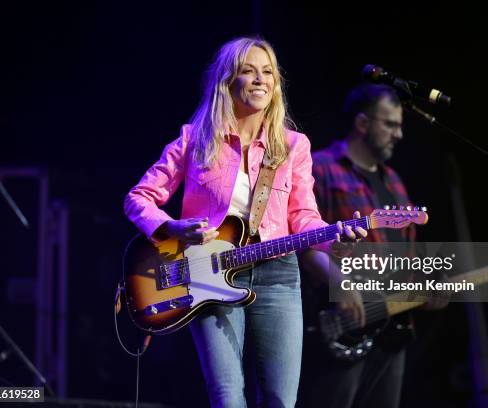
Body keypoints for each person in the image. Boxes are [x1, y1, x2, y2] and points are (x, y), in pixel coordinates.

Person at [124, 37, 366, 408]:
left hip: (278, 275)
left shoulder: (292, 146)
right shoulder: (195, 139)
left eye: (268, 72)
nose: (260, 80)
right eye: (248, 71)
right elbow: (138, 198)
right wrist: (171, 228)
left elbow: (303, 216)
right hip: (207, 273)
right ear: (227, 81)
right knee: (227, 398)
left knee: (280, 400)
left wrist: (334, 239)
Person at [298, 83, 417, 408]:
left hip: (392, 329)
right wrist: (338, 285)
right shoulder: (320, 168)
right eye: (390, 124)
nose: (399, 134)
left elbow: (406, 257)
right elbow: (300, 242)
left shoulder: (394, 181)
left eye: (400, 125)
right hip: (338, 327)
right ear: (363, 124)